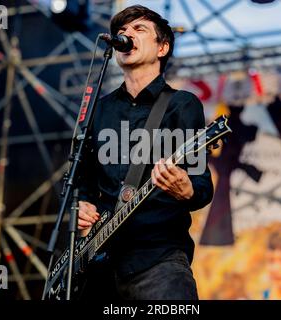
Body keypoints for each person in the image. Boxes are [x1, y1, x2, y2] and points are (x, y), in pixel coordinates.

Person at [75, 5, 214, 300]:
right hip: (99, 266)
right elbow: (80, 178)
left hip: (158, 261)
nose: (126, 35)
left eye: (139, 30)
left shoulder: (181, 105)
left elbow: (201, 185)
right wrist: (81, 206)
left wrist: (185, 188)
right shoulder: (100, 110)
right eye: (122, 31)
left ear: (162, 47)